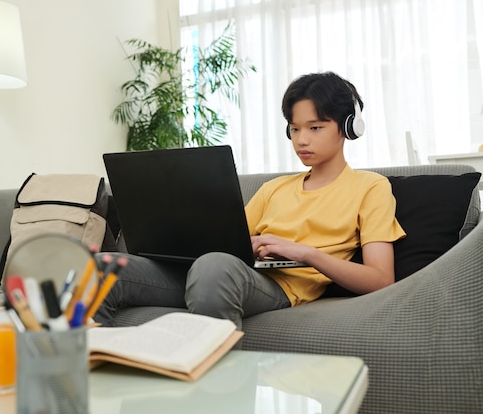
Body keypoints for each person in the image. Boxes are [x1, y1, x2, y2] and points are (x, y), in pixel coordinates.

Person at [95, 71, 406, 329]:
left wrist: (304, 253)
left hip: (278, 284)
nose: (302, 139)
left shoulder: (370, 187)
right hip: (216, 273)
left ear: (348, 128)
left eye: (315, 127)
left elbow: (381, 279)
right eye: (295, 129)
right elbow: (227, 241)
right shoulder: (276, 188)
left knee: (214, 267)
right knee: (101, 267)